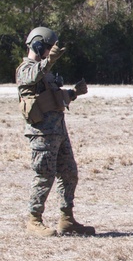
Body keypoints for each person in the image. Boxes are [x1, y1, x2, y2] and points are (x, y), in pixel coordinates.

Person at [16, 26, 95, 237]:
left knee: (69, 173)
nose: (50, 52)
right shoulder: (25, 69)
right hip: (42, 133)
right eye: (48, 48)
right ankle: (34, 220)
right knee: (44, 175)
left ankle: (67, 219)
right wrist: (49, 59)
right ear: (38, 45)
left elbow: (54, 99)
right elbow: (33, 75)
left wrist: (73, 93)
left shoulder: (46, 73)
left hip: (58, 131)